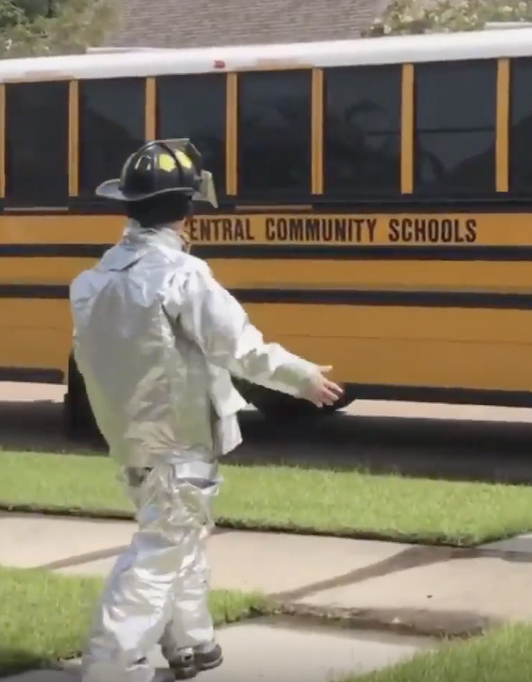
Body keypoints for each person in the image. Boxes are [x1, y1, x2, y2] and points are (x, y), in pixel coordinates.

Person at [69, 139, 343, 682]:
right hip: (180, 437)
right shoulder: (182, 276)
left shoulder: (93, 282)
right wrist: (303, 378)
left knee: (181, 535)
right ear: (187, 209)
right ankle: (111, 664)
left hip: (130, 439)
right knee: (161, 548)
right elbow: (239, 347)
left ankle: (191, 643)